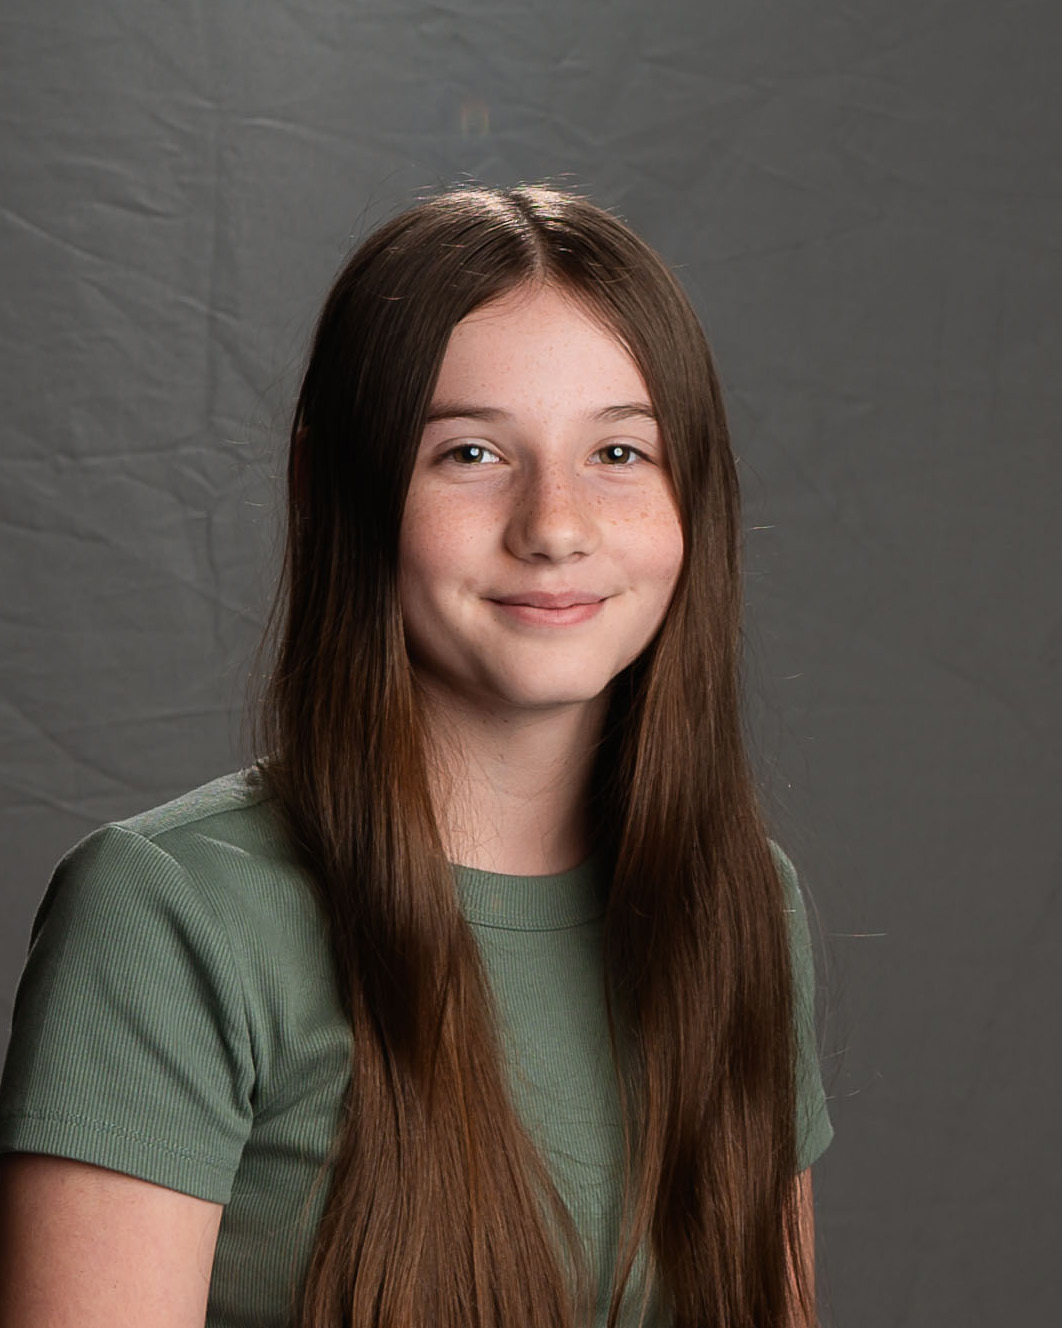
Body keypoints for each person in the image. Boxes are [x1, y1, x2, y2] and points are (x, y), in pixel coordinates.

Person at [0, 184, 833, 1328]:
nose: (555, 524)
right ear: (328, 488)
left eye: (619, 450)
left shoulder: (741, 902)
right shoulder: (169, 914)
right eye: (471, 451)